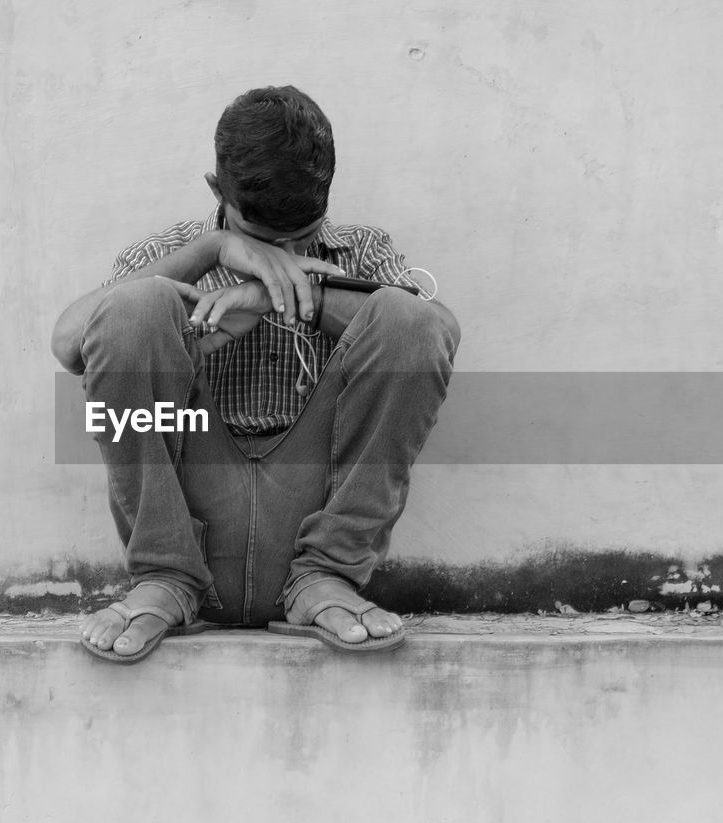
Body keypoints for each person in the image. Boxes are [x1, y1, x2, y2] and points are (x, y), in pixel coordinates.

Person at [51, 85, 460, 662]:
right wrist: (214, 249)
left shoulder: (361, 249)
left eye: (303, 235)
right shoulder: (169, 251)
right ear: (218, 191)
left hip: (314, 535)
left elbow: (436, 332)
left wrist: (297, 296)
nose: (287, 253)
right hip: (189, 517)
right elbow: (70, 343)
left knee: (408, 319)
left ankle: (325, 577)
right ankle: (163, 578)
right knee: (131, 308)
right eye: (268, 242)